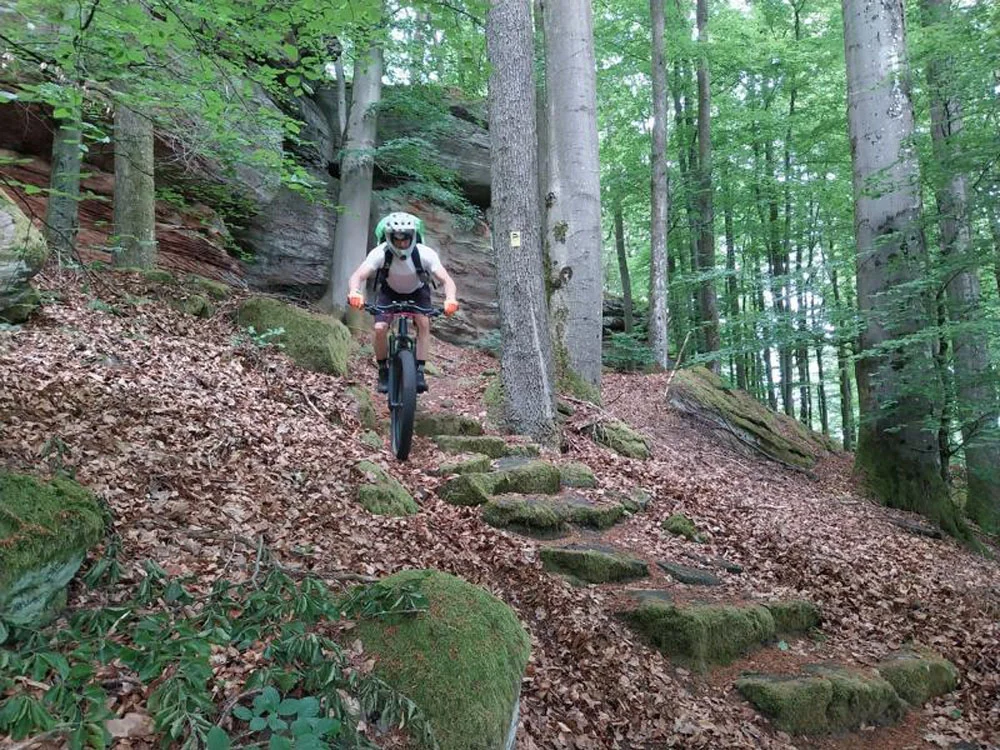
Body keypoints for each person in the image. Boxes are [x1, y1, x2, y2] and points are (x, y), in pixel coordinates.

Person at [347, 212, 459, 394]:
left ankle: (420, 372)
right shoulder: (380, 252)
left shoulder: (425, 254)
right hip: (389, 291)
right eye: (396, 239)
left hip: (417, 291)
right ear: (389, 237)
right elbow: (358, 276)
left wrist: (450, 298)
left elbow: (447, 280)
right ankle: (383, 371)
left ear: (412, 236)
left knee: (423, 323)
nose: (401, 243)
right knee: (379, 328)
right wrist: (354, 292)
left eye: (405, 238)